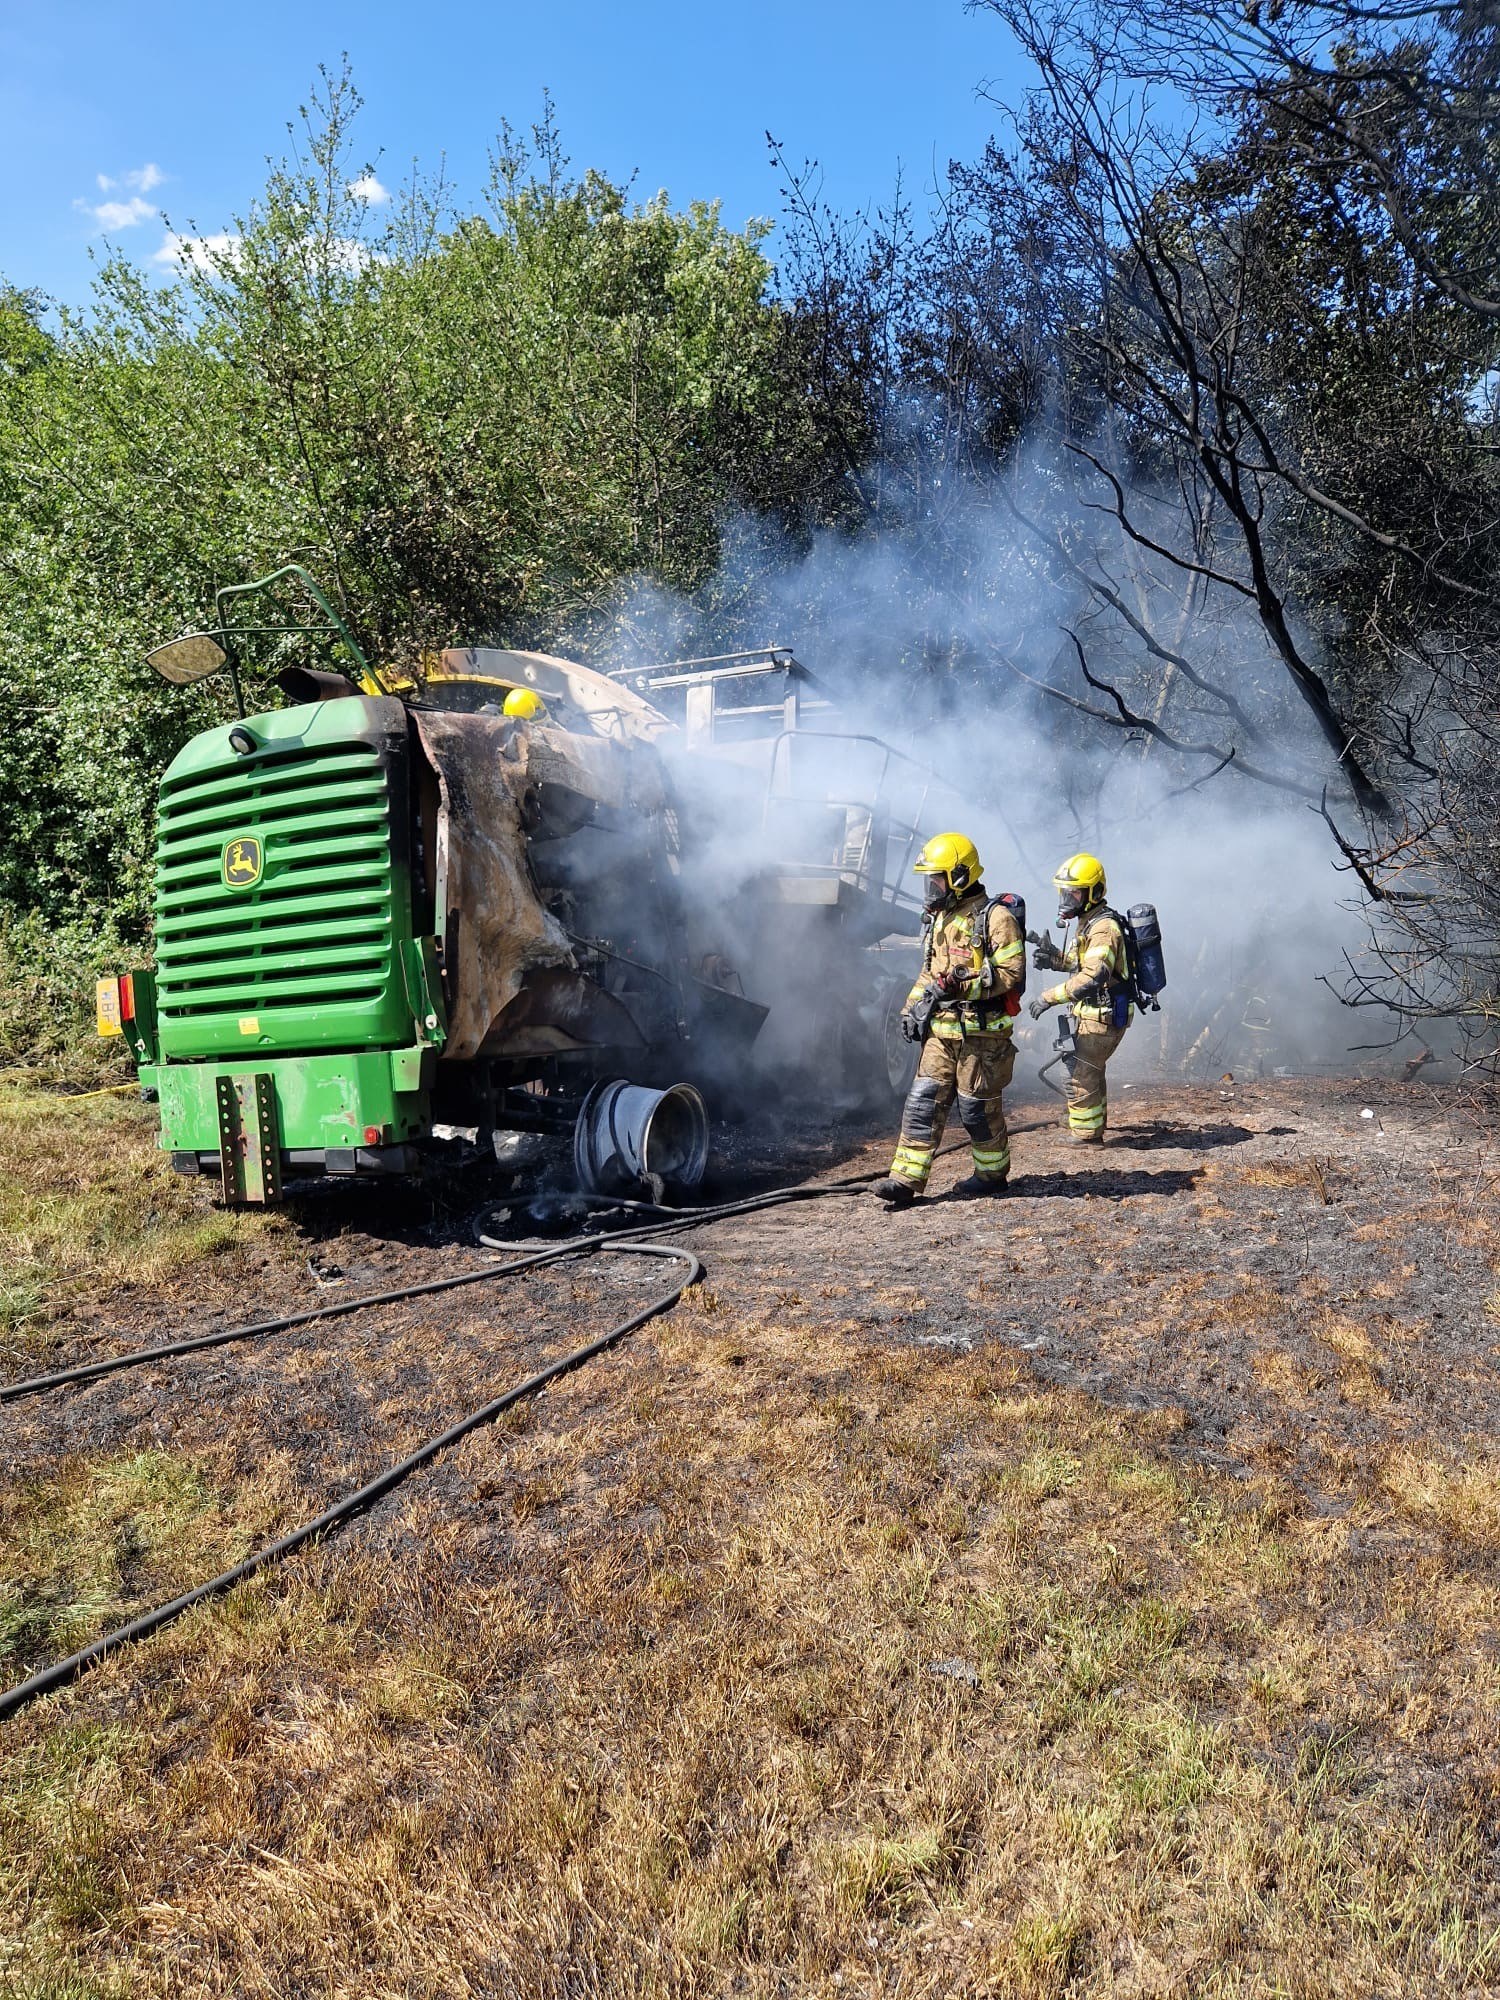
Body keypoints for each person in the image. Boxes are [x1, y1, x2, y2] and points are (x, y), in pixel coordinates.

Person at [871, 833, 1025, 1208]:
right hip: (941, 1033)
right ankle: (905, 1179)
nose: (929, 887)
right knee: (923, 1101)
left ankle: (991, 1175)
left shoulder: (996, 918)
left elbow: (1011, 973)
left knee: (977, 1109)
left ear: (959, 876)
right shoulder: (940, 920)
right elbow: (927, 975)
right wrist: (911, 1010)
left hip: (982, 1036)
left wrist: (959, 986)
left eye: (935, 878)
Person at [1028, 852, 1131, 1145]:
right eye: (1065, 892)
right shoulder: (1089, 921)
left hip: (1104, 1014)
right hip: (1096, 1013)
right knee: (1090, 1069)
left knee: (1079, 1071)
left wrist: (1048, 997)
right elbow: (1081, 963)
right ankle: (1091, 1125)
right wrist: (1054, 959)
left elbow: (1093, 976)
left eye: (1074, 892)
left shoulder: (1103, 928)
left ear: (1094, 892)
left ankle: (1086, 1134)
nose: (1067, 899)